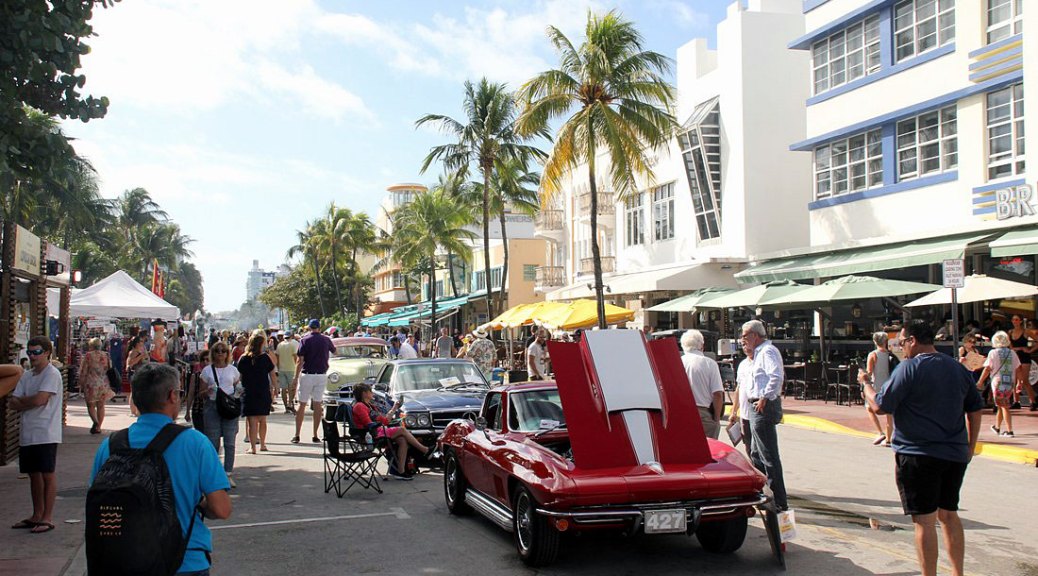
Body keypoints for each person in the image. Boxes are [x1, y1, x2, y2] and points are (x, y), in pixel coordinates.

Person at [864, 322, 983, 576]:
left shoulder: (909, 367)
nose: (901, 347)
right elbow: (975, 408)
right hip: (954, 453)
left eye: (902, 342)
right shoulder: (955, 367)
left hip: (918, 454)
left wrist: (866, 384)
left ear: (913, 341)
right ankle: (957, 572)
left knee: (924, 522)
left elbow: (881, 406)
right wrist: (969, 447)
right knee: (949, 514)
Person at [90, 363, 232, 575]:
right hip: (184, 560)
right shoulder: (195, 443)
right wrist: (200, 504)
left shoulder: (111, 445)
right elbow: (221, 509)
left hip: (123, 560)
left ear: (136, 400)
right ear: (173, 396)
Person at [8, 337, 63, 534]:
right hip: (28, 430)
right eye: (30, 353)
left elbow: (41, 399)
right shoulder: (27, 375)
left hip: (46, 431)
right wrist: (28, 401)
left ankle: (47, 517)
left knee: (47, 473)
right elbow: (13, 402)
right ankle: (36, 513)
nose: (33, 356)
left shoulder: (52, 374)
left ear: (47, 352)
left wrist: (24, 402)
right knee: (33, 474)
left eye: (37, 352)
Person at [739, 320, 788, 512]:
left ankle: (779, 500)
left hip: (761, 405)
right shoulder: (758, 354)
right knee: (755, 453)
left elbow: (775, 376)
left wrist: (764, 397)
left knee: (768, 455)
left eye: (745, 336)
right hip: (754, 405)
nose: (743, 339)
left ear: (754, 336)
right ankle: (763, 494)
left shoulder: (767, 351)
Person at [351, 383, 437, 480]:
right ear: (364, 393)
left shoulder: (370, 406)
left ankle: (400, 471)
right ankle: (425, 450)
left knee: (402, 440)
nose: (372, 393)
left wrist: (395, 407)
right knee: (402, 429)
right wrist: (381, 424)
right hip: (370, 435)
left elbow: (385, 420)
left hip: (378, 430)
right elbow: (368, 424)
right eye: (370, 391)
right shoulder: (359, 406)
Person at [197, 341, 243, 488]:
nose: (221, 353)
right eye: (217, 351)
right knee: (213, 442)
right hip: (212, 406)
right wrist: (209, 390)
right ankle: (214, 474)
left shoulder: (233, 370)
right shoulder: (207, 371)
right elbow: (201, 393)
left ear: (227, 353)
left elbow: (238, 387)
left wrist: (238, 392)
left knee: (229, 443)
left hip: (229, 407)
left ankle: (228, 473)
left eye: (223, 351)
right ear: (213, 353)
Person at [292, 319, 335, 444]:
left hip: (307, 374)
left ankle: (297, 434)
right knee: (318, 405)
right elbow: (335, 351)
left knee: (302, 404)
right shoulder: (326, 339)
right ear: (319, 328)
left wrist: (295, 378)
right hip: (321, 375)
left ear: (310, 328)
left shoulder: (304, 340)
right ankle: (315, 434)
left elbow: (300, 361)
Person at [679, 330, 724, 439]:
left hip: (681, 413)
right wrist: (717, 419)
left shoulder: (677, 362)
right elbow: (717, 394)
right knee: (708, 451)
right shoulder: (710, 364)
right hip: (703, 414)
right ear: (702, 345)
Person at [976, 330, 1019, 438]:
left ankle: (1010, 431)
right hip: (1010, 382)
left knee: (1004, 406)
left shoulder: (993, 353)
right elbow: (1019, 368)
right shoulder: (1012, 353)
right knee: (1001, 405)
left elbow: (987, 368)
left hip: (998, 382)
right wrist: (1020, 382)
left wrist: (980, 381)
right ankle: (997, 427)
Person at [238, 331, 276, 453]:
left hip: (248, 392)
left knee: (251, 421)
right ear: (261, 344)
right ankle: (263, 444)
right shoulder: (265, 358)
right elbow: (272, 374)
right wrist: (275, 388)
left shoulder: (243, 358)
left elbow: (239, 376)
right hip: (263, 391)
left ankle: (253, 447)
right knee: (263, 420)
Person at [859, 331, 895, 446]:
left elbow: (869, 372)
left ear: (875, 341)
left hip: (875, 386)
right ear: (885, 341)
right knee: (889, 413)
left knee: (869, 408)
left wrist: (863, 382)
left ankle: (880, 432)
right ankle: (889, 439)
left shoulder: (873, 355)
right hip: (888, 385)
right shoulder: (890, 354)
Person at [79, 338, 115, 434]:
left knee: (90, 405)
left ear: (91, 345)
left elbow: (84, 370)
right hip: (103, 382)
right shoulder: (106, 355)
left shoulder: (88, 356)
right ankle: (99, 427)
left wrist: (81, 382)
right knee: (101, 405)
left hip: (91, 382)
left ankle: (95, 422)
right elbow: (109, 368)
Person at [729, 339, 755, 460]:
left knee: (759, 450)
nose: (745, 347)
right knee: (749, 448)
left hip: (757, 414)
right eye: (743, 345)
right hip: (744, 415)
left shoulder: (760, 362)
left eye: (746, 343)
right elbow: (739, 389)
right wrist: (734, 411)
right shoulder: (743, 364)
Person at [1008, 314, 1038, 411]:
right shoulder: (1010, 332)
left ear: (1021, 321)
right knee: (1015, 380)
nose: (1015, 321)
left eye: (1017, 320)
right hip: (1015, 356)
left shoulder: (1026, 332)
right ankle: (1016, 401)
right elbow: (1010, 346)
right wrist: (1018, 348)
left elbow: (1037, 341)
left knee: (1025, 380)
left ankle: (1032, 401)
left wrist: (1030, 350)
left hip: (1024, 357)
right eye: (1013, 320)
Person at [184, 348, 210, 433]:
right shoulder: (195, 376)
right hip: (198, 410)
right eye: (203, 360)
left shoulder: (215, 376)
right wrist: (188, 411)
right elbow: (190, 393)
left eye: (208, 359)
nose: (205, 362)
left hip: (211, 411)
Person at [275, 331, 299, 414]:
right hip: (291, 368)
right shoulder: (294, 343)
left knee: (283, 389)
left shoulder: (279, 345)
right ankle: (290, 403)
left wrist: (278, 368)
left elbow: (277, 358)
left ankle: (286, 408)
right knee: (291, 388)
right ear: (291, 336)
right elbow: (296, 357)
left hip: (281, 369)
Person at [125, 335, 148, 416]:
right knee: (135, 392)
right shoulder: (133, 352)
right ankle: (134, 411)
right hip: (134, 373)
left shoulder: (138, 351)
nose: (143, 343)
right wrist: (141, 356)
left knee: (136, 392)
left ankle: (136, 411)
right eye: (141, 341)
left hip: (139, 373)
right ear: (137, 343)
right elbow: (130, 363)